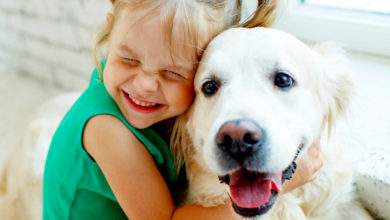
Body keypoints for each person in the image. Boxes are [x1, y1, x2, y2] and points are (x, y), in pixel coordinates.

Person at [43, 0, 322, 219]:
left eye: (172, 73)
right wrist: (287, 181)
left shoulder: (137, 61)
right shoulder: (108, 131)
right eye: (128, 59)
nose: (145, 84)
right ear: (110, 32)